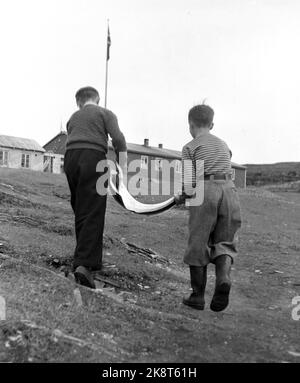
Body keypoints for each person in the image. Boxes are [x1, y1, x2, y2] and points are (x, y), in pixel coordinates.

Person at [175, 104, 242, 312]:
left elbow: (189, 182)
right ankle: (223, 277)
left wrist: (181, 196)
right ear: (212, 124)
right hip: (229, 191)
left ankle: (197, 296)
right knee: (225, 241)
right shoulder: (223, 144)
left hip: (206, 191)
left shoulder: (190, 147)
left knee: (198, 241)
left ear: (190, 124)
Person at [64, 86, 127, 288]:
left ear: (79, 102)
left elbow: (72, 137)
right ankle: (84, 265)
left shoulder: (73, 117)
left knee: (80, 207)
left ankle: (81, 258)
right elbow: (118, 139)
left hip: (71, 159)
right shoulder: (105, 113)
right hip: (94, 158)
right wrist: (122, 167)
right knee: (93, 210)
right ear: (97, 99)